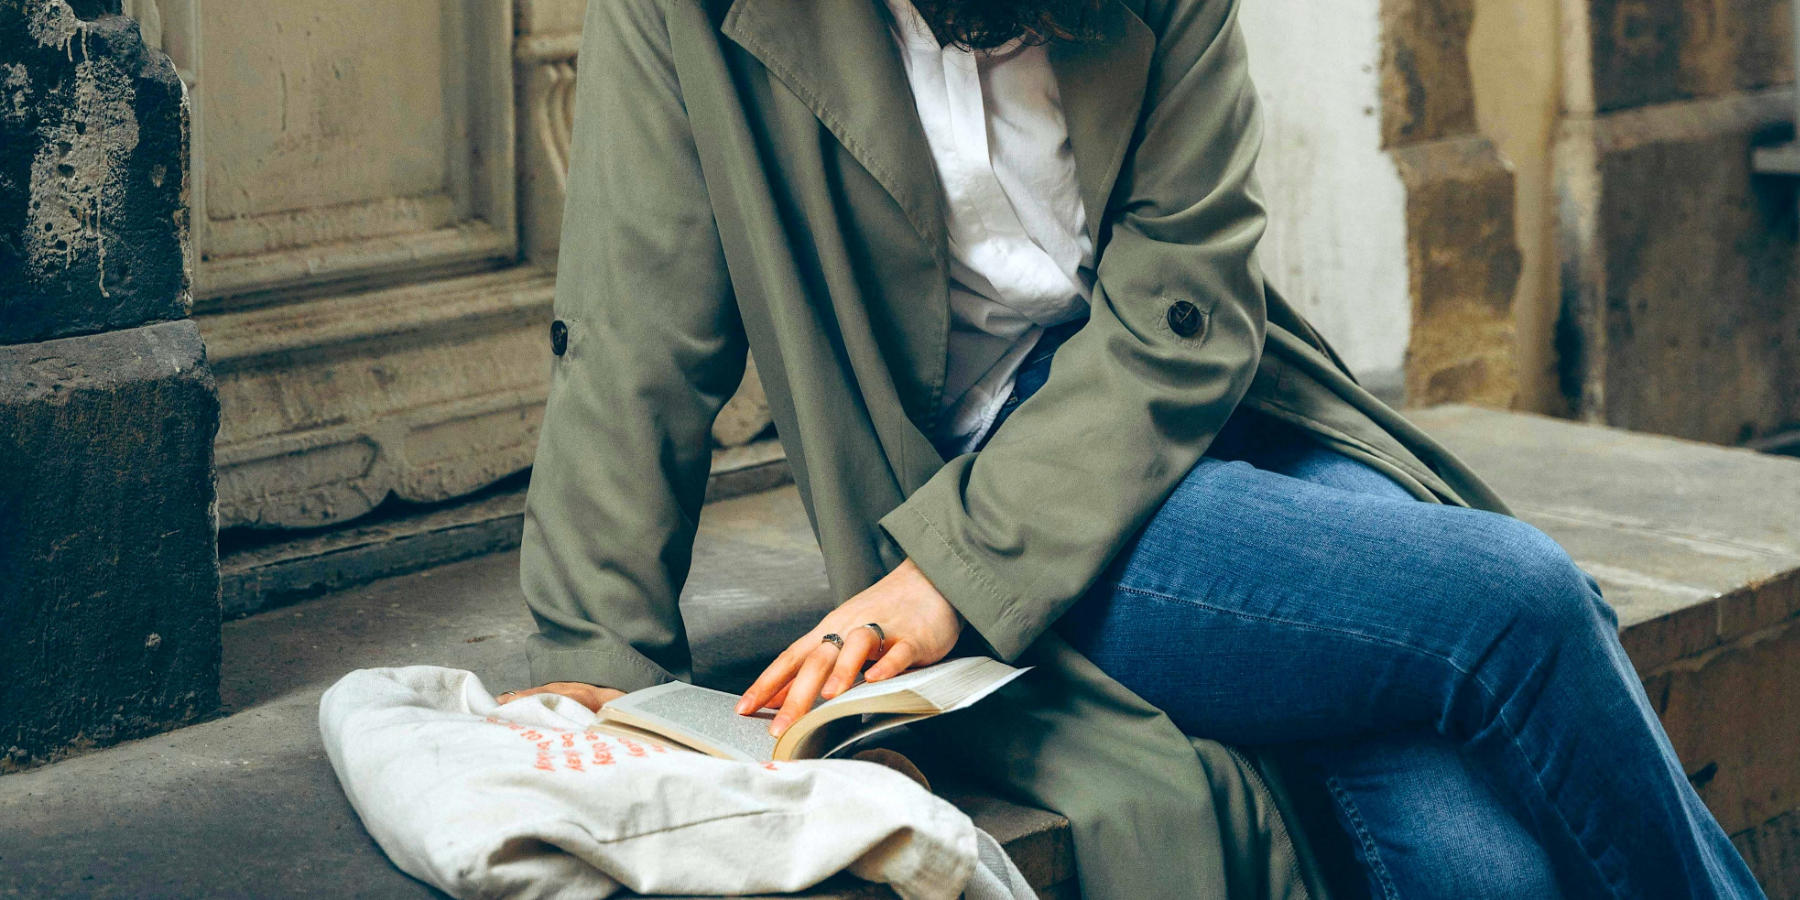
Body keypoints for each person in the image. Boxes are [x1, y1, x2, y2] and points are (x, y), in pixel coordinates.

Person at [502, 0, 1769, 895]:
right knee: (1513, 610)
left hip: (1205, 401)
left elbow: (1187, 300)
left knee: (1473, 806)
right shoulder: (689, 14)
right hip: (992, 485)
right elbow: (637, 330)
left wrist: (947, 583)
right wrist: (595, 652)